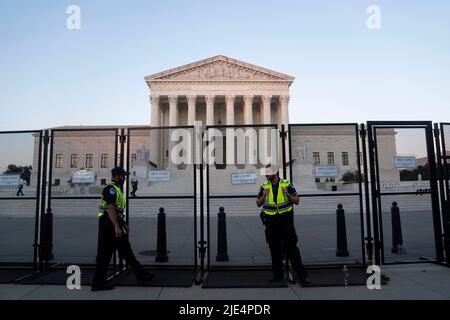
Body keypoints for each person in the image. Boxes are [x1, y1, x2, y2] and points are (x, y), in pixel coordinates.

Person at [92, 166, 155, 291]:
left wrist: (123, 223)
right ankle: (98, 282)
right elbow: (109, 208)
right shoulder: (111, 189)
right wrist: (116, 226)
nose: (125, 178)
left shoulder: (117, 189)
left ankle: (142, 275)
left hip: (113, 224)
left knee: (126, 252)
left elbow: (116, 210)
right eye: (123, 176)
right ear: (117, 176)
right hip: (109, 226)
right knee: (107, 254)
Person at [256, 165, 310, 285]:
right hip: (270, 222)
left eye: (268, 172)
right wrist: (264, 196)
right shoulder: (264, 186)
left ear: (275, 172)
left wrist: (288, 195)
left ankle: (302, 276)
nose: (265, 175)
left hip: (285, 222)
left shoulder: (286, 183)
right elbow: (258, 203)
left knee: (292, 249)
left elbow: (297, 201)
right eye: (265, 173)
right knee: (274, 250)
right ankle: (278, 275)